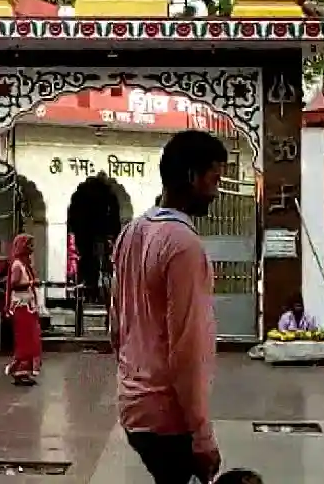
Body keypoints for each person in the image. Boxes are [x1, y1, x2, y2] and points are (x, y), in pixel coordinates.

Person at [113, 130, 228, 484]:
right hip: (168, 414)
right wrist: (202, 434)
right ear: (192, 177)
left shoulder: (131, 232)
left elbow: (116, 327)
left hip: (134, 405)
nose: (216, 190)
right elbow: (187, 349)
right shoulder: (183, 244)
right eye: (214, 178)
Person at [5, 233, 41, 386]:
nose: (32, 249)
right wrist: (32, 283)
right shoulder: (17, 265)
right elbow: (14, 284)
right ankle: (19, 371)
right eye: (30, 245)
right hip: (21, 307)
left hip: (28, 306)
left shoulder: (25, 264)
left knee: (30, 339)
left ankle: (24, 371)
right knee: (25, 339)